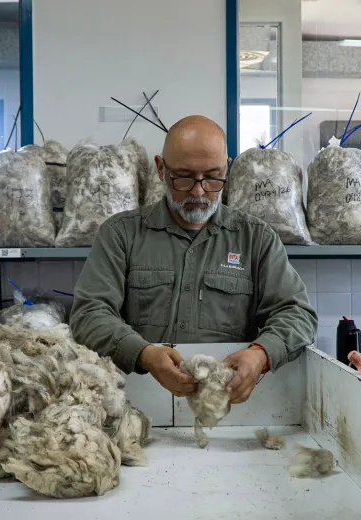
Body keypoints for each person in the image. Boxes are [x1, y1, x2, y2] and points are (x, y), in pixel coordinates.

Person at [70, 115, 317, 404]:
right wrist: (144, 354)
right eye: (184, 177)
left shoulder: (256, 239)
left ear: (226, 168)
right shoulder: (120, 234)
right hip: (134, 403)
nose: (198, 191)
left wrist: (260, 354)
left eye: (212, 176)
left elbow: (298, 314)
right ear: (161, 169)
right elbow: (89, 314)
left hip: (226, 407)